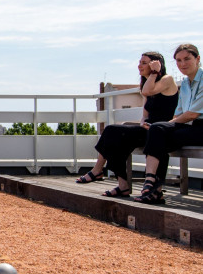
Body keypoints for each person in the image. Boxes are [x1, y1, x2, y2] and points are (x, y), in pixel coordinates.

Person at [75, 52, 178, 197]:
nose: (139, 66)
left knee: (123, 136)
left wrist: (155, 72)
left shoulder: (167, 79)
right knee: (112, 131)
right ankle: (118, 183)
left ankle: (99, 172)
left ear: (156, 64)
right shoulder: (146, 83)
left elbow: (148, 91)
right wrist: (142, 123)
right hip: (148, 129)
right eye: (139, 62)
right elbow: (145, 115)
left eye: (144, 62)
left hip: (163, 131)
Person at [135, 43, 203, 204]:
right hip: (191, 127)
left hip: (200, 127)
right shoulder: (185, 84)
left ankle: (151, 183)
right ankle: (154, 188)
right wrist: (164, 126)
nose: (182, 64)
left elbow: (192, 114)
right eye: (178, 61)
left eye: (187, 59)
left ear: (198, 59)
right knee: (158, 133)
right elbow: (179, 114)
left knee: (159, 130)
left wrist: (165, 126)